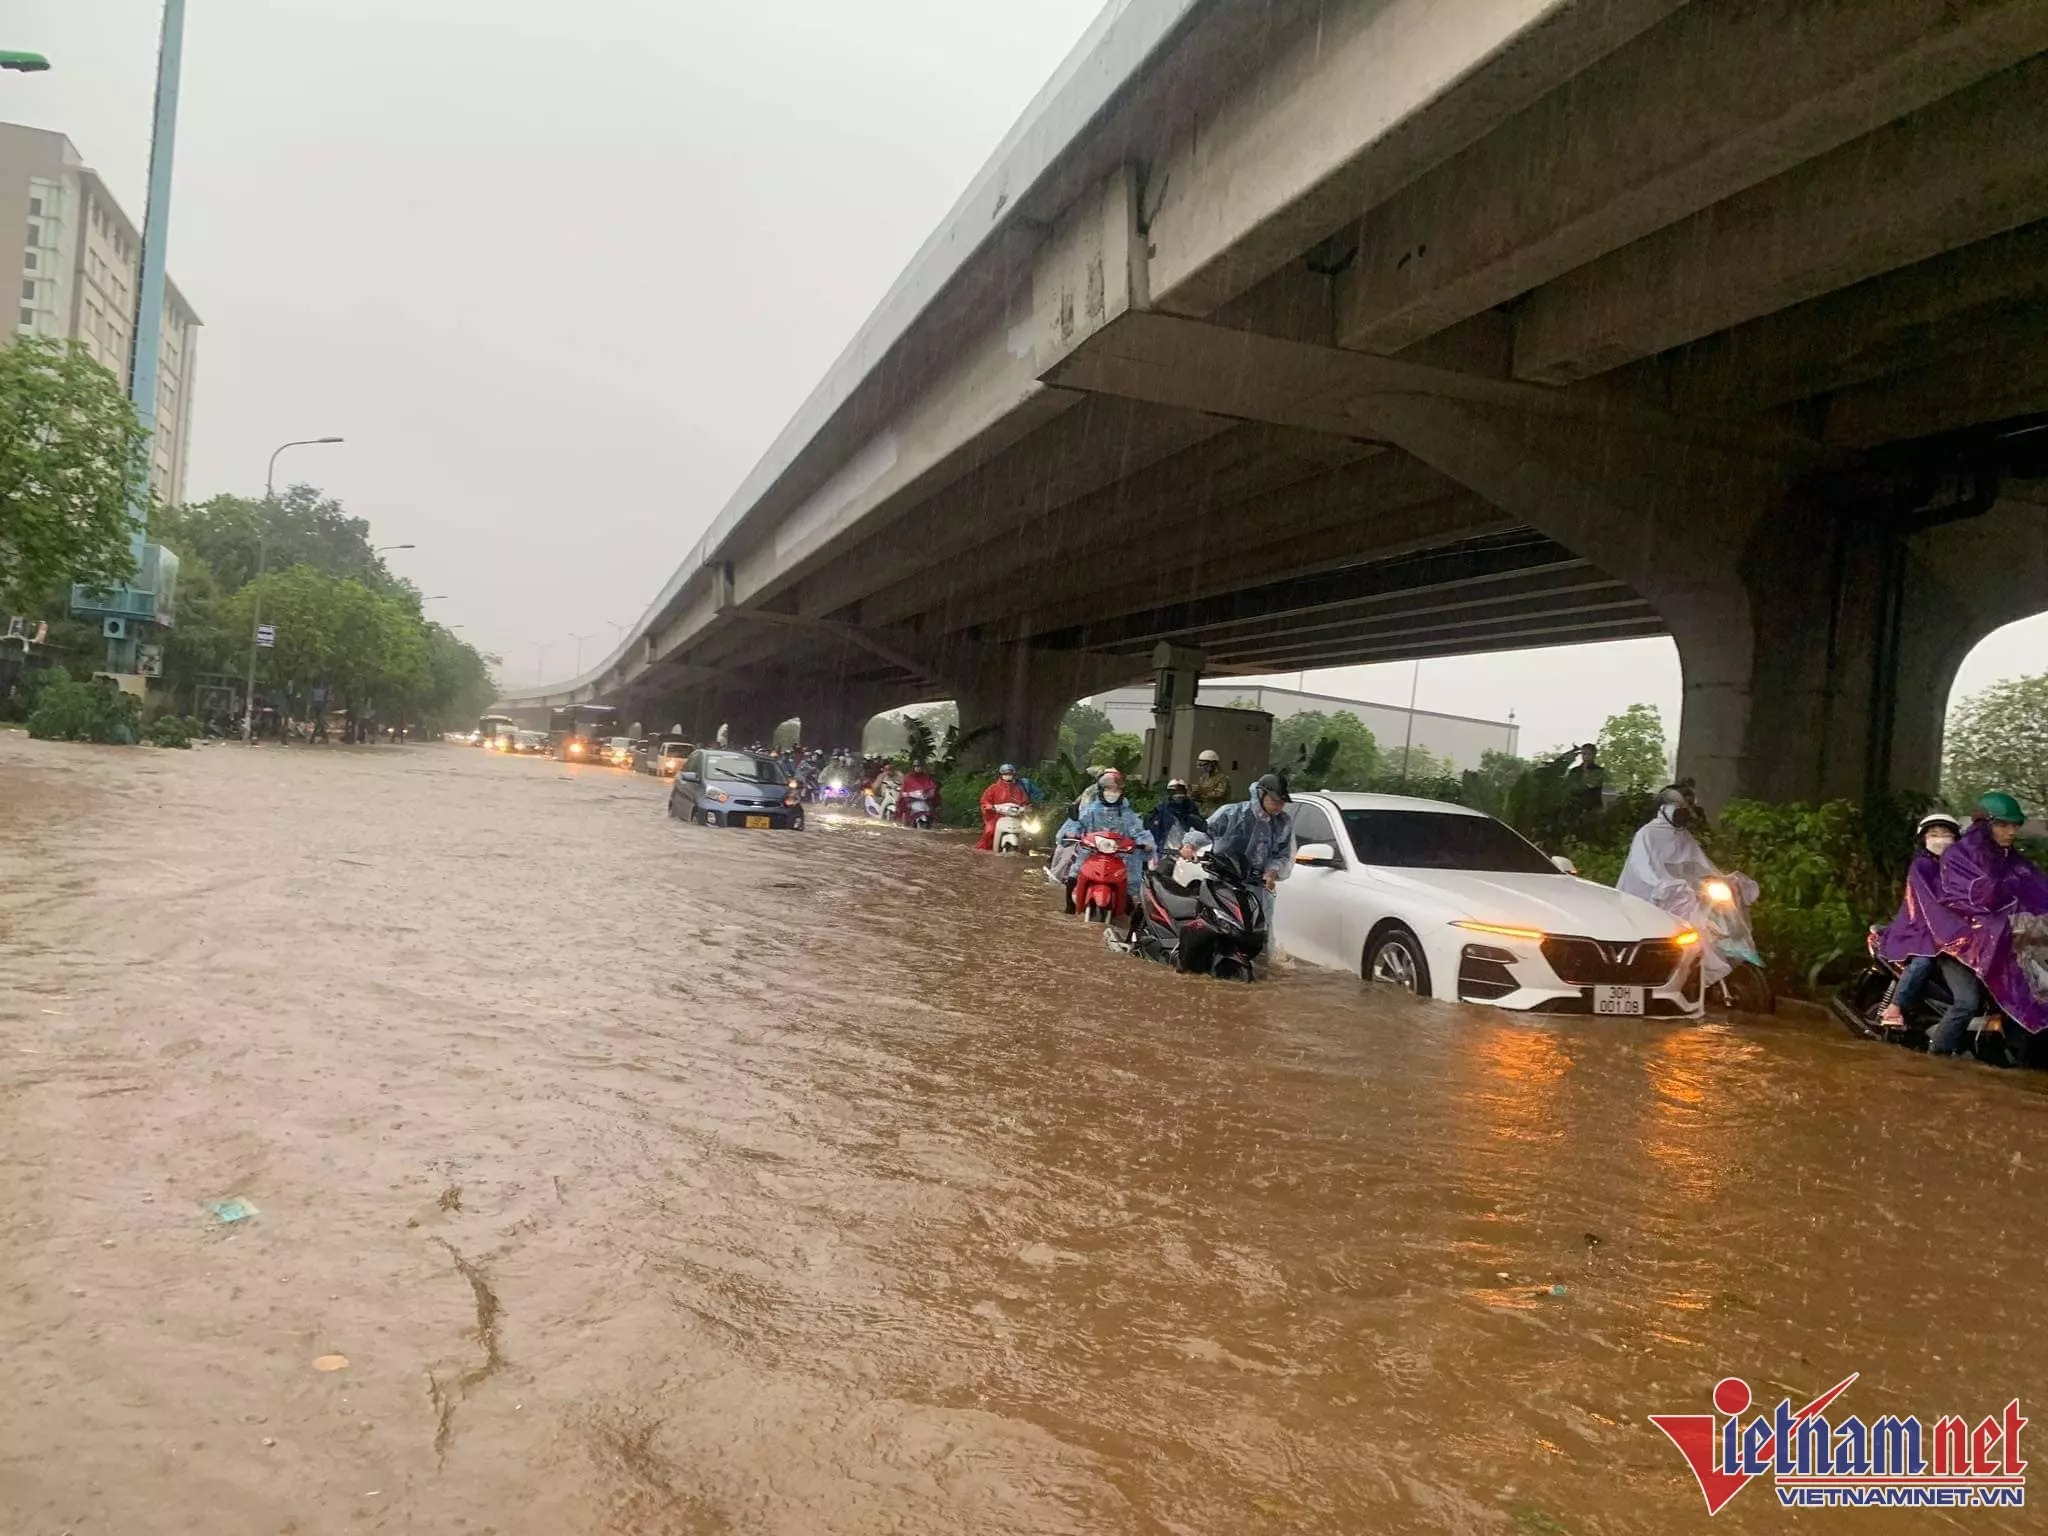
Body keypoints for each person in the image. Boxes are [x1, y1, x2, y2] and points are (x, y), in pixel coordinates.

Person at [1925, 792, 2048, 1058]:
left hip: (2003, 946)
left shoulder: (2013, 860)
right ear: (1984, 825)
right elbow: (1967, 900)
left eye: (2015, 825)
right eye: (2003, 825)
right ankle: (1933, 1060)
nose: (2011, 831)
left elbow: (2039, 893)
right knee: (1966, 1003)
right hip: (1957, 945)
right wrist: (2004, 893)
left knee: (2030, 996)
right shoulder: (1958, 857)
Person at [1616, 787, 1755, 989]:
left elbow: (1700, 864)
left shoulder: (1684, 836)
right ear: (1666, 809)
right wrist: (1664, 885)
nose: (1683, 815)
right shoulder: (1647, 835)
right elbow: (1643, 869)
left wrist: (1721, 879)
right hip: (1653, 900)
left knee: (1714, 921)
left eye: (1686, 811)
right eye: (1679, 809)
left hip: (1683, 895)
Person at [1875, 811, 1965, 1028]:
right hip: (1918, 925)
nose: (1940, 839)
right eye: (1934, 834)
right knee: (1924, 960)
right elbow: (1932, 900)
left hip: (1949, 927)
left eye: (1946, 834)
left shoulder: (1958, 868)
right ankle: (1895, 1007)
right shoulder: (1922, 865)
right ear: (1924, 839)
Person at [1204, 772, 1296, 924]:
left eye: (1282, 802)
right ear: (1261, 794)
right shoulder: (1232, 813)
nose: (1279, 806)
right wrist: (1190, 846)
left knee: (1256, 933)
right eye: (1274, 800)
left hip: (1256, 888)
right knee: (1220, 927)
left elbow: (1283, 854)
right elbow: (1204, 831)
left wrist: (1272, 871)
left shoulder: (1283, 822)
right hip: (1223, 884)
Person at [1054, 769, 1154, 906]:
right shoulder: (1091, 810)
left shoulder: (1127, 814)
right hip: (1090, 856)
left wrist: (1145, 843)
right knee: (1074, 875)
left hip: (1120, 859)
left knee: (1130, 896)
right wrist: (1071, 833)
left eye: (1116, 789)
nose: (1112, 793)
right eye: (1108, 788)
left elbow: (1139, 831)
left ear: (1121, 792)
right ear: (1101, 790)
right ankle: (1070, 910)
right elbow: (1076, 823)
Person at [1145, 778, 1208, 867]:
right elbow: (1150, 825)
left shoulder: (1191, 808)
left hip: (1186, 852)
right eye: (1174, 791)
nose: (1178, 794)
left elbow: (1201, 828)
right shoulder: (1162, 807)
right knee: (1153, 868)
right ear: (1169, 793)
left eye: (1180, 791)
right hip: (1164, 851)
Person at [976, 763, 1030, 851]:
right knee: (989, 831)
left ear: (1013, 775)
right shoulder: (993, 788)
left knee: (1028, 834)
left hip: (1016, 817)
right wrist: (990, 807)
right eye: (1006, 774)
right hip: (997, 817)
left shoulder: (1019, 789)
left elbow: (1025, 802)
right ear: (1001, 775)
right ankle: (982, 851)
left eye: (1010, 774)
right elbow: (984, 801)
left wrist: (1026, 808)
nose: (1008, 776)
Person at [1562, 742, 1606, 815]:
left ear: (1594, 755)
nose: (1586, 756)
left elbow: (1587, 786)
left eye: (1589, 754)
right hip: (1574, 809)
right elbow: (1567, 787)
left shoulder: (1599, 771)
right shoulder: (1574, 771)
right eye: (1584, 754)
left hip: (1593, 809)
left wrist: (1576, 786)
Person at [896, 761, 940, 826]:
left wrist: (931, 791)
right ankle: (904, 827)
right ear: (913, 767)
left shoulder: (926, 777)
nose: (919, 768)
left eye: (920, 767)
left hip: (923, 799)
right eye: (917, 766)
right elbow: (904, 789)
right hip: (910, 800)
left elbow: (931, 786)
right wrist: (907, 794)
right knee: (905, 809)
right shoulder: (908, 777)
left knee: (933, 809)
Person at [1191, 750, 1233, 816]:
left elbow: (1219, 794)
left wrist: (1202, 792)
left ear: (1213, 764)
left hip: (1217, 812)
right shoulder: (1204, 777)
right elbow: (1199, 795)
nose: (1203, 768)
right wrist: (1194, 794)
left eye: (1204, 765)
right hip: (1203, 812)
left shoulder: (1222, 778)